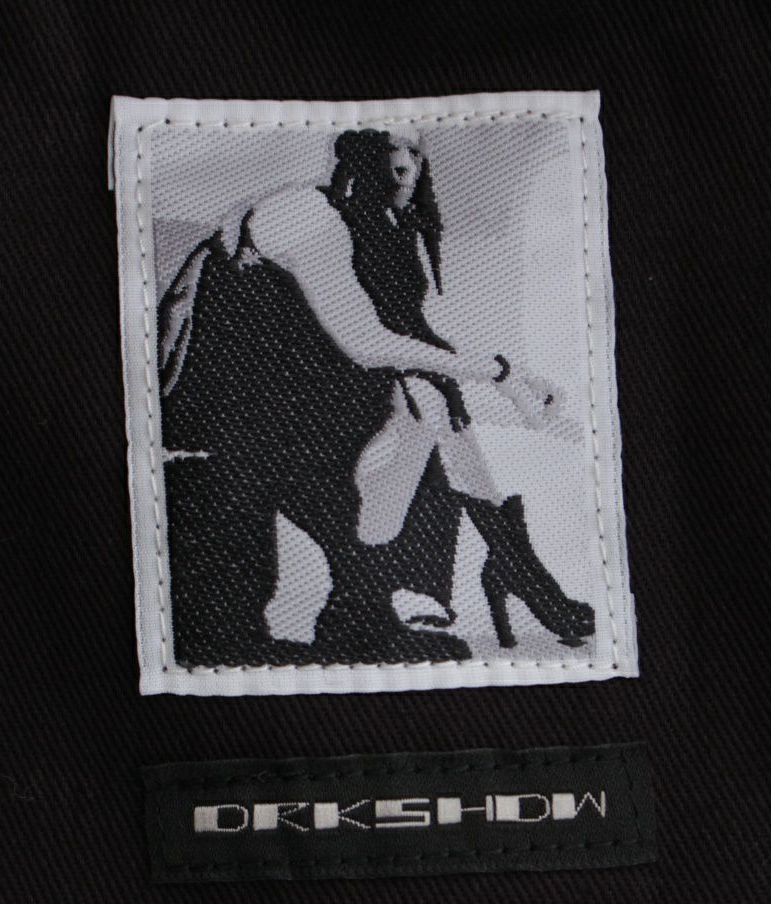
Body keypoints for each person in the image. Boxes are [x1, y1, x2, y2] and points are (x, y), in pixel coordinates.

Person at [157, 127, 592, 667]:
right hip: (222, 406)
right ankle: (497, 570)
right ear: (358, 155)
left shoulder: (376, 233)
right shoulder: (310, 215)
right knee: (416, 402)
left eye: (416, 152)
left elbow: (413, 341)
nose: (406, 164)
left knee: (425, 400)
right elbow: (366, 343)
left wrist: (510, 380)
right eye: (391, 149)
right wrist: (500, 374)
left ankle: (408, 593)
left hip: (284, 402)